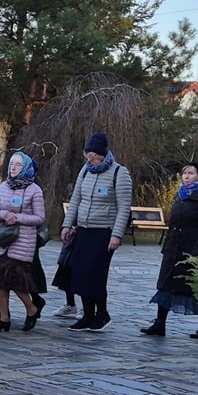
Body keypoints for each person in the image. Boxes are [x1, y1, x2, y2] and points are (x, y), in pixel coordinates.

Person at [60, 132, 133, 331]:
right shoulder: (85, 171)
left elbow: (124, 206)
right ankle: (87, 314)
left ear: (102, 153)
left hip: (104, 231)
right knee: (80, 273)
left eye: (93, 155)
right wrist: (67, 225)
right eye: (87, 155)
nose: (90, 158)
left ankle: (102, 312)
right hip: (84, 229)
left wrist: (116, 235)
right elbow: (75, 200)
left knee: (96, 274)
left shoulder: (120, 173)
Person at [143, 161, 198, 339]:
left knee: (197, 288)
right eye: (184, 173)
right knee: (165, 285)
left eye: (191, 173)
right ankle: (159, 323)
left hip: (193, 249)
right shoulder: (180, 194)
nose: (186, 176)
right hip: (174, 247)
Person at [0, 151, 47, 332]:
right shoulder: (4, 186)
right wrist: (5, 215)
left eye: (18, 165)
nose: (13, 167)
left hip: (23, 241)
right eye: (12, 164)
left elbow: (39, 218)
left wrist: (18, 217)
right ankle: (4, 319)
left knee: (17, 282)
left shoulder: (34, 190)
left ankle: (31, 309)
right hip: (4, 240)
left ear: (26, 168)